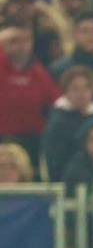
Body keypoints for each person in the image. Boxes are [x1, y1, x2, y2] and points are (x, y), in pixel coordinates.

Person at [0, 24, 61, 165]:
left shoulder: (38, 72)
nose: (21, 46)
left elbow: (56, 101)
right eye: (14, 41)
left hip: (31, 139)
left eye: (26, 40)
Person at [40, 66, 93, 181]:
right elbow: (54, 162)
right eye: (75, 88)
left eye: (87, 87)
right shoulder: (57, 124)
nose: (81, 93)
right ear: (66, 90)